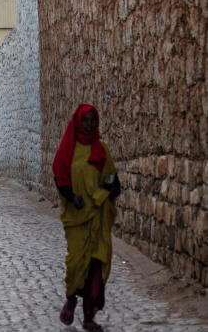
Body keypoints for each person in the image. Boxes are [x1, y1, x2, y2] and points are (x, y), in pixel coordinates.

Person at [53, 104, 121, 332]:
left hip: (98, 217)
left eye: (94, 120)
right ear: (79, 122)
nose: (90, 124)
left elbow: (113, 180)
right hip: (77, 219)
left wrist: (111, 189)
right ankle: (71, 298)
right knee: (76, 263)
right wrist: (72, 198)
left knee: (95, 266)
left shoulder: (101, 149)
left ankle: (89, 316)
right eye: (86, 120)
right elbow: (60, 177)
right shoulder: (69, 149)